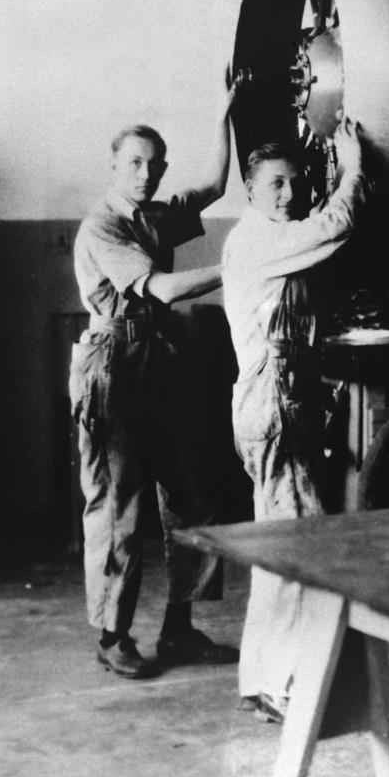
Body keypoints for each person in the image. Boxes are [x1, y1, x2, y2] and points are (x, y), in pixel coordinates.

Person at [69, 78, 242, 680]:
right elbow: (163, 288)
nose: (145, 173)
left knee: (194, 493)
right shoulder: (104, 227)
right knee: (121, 507)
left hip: (160, 363)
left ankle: (181, 628)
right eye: (133, 163)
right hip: (112, 370)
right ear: (114, 167)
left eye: (154, 164)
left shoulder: (157, 215)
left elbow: (219, 185)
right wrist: (242, 262)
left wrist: (224, 113)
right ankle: (112, 635)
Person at [221, 121, 367, 722]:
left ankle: (262, 679)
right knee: (302, 545)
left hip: (272, 402)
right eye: (276, 184)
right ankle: (287, 687)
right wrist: (355, 167)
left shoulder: (266, 237)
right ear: (251, 190)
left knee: (281, 543)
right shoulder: (259, 239)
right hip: (273, 404)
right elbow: (336, 226)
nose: (289, 194)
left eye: (296, 183)